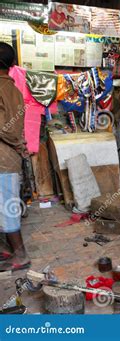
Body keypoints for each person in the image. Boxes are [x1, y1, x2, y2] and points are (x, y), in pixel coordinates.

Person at [0, 42, 30, 271]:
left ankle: (21, 256)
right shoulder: (11, 89)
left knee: (8, 208)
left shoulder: (5, 89)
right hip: (7, 158)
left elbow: (10, 130)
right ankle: (9, 250)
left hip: (4, 160)